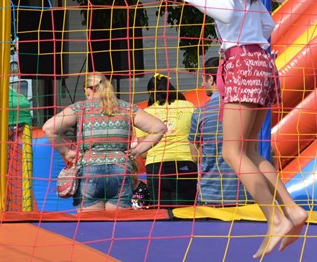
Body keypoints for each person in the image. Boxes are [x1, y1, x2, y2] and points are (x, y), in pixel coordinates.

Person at [166, 0, 308, 259]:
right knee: (253, 152)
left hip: (242, 62)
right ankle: (292, 210)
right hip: (262, 61)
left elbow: (226, 13)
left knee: (232, 153)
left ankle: (276, 219)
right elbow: (268, 22)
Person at [43, 73, 166, 212]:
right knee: (117, 226)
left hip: (90, 170)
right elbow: (159, 128)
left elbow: (48, 128)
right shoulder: (127, 108)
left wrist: (67, 152)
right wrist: (137, 151)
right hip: (120, 169)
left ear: (88, 89)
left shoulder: (80, 108)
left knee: (91, 227)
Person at [191, 57, 248, 208]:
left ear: (211, 79)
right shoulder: (247, 110)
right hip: (245, 194)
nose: (202, 84)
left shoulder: (201, 113)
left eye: (203, 79)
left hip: (211, 194)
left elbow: (195, 157)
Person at [140, 74, 198, 207]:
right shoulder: (189, 106)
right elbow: (196, 137)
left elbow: (143, 153)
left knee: (161, 215)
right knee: (185, 213)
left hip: (156, 167)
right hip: (185, 164)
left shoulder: (145, 113)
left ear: (150, 92)